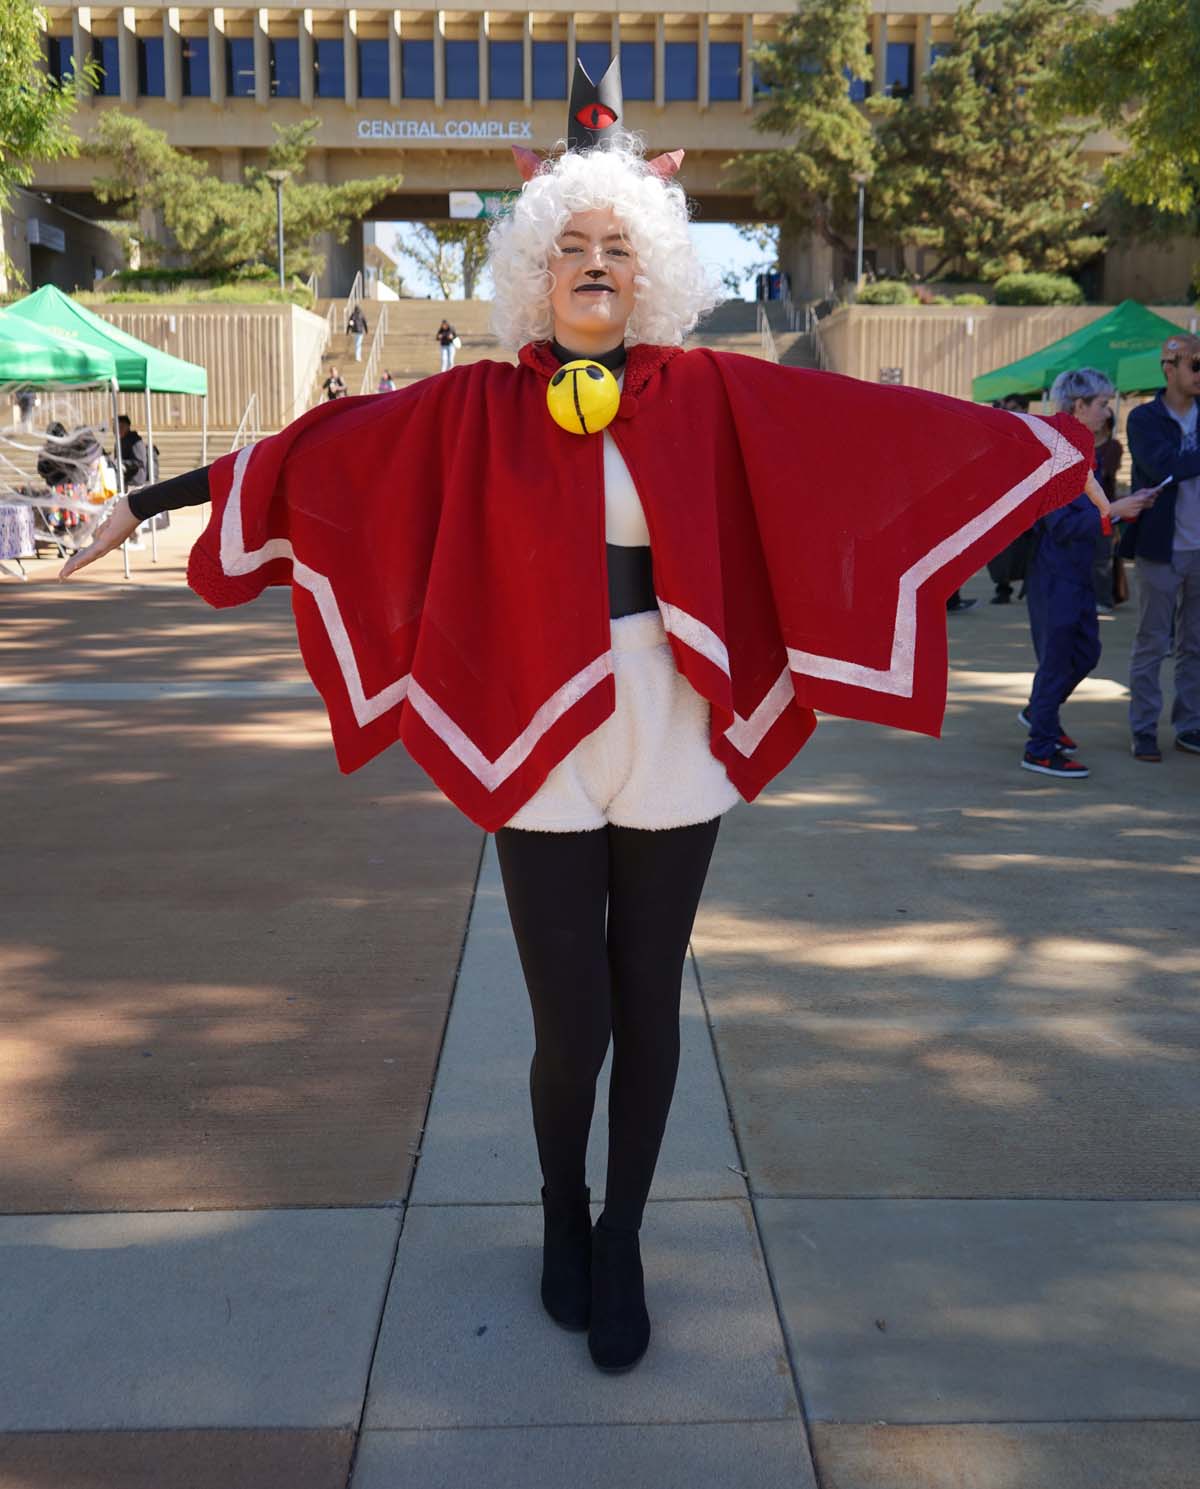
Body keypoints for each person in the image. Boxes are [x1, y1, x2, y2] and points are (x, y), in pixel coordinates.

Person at [59, 61, 1103, 1376]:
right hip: (531, 722)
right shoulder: (475, 403)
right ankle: (560, 1207)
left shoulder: (717, 389)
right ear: (534, 273)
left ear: (653, 267)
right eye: (572, 246)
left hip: (671, 719)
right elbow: (323, 456)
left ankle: (624, 1236)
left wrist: (1046, 456)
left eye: (619, 244)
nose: (595, 262)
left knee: (649, 1001)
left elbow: (874, 434)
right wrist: (148, 507)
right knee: (573, 1022)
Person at [1020, 369, 1156, 779]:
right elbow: (1059, 525)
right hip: (1055, 575)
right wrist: (1115, 511)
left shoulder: (1078, 451)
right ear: (1078, 406)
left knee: (1085, 654)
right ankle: (1040, 747)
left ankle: (1040, 715)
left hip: (1075, 574)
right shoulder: (1056, 453)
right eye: (1101, 403)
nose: (1107, 411)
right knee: (1058, 662)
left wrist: (1120, 510)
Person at [1122, 334, 1200, 761]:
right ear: (1169, 367)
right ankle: (1144, 728)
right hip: (1161, 546)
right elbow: (1163, 466)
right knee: (1153, 641)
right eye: (1195, 364)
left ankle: (1190, 726)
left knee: (1196, 644)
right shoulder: (1144, 419)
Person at [988, 394, 1036, 603]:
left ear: (1025, 408)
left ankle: (1029, 583)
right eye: (1007, 407)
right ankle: (1003, 587)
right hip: (1001, 497)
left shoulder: (1035, 431)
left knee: (1028, 545)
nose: (1010, 411)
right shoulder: (1001, 430)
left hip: (1028, 495)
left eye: (1015, 407)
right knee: (999, 547)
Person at [1092, 410, 1123, 611]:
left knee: (1102, 557)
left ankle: (1104, 599)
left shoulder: (1113, 446)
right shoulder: (1082, 443)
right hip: (1083, 506)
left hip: (1105, 507)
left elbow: (1104, 474)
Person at [117, 414, 149, 488]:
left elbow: (139, 462)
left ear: (128, 427)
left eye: (121, 427)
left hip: (135, 483)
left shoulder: (135, 441)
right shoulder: (120, 441)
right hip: (125, 482)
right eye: (116, 427)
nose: (118, 429)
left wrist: (122, 463)